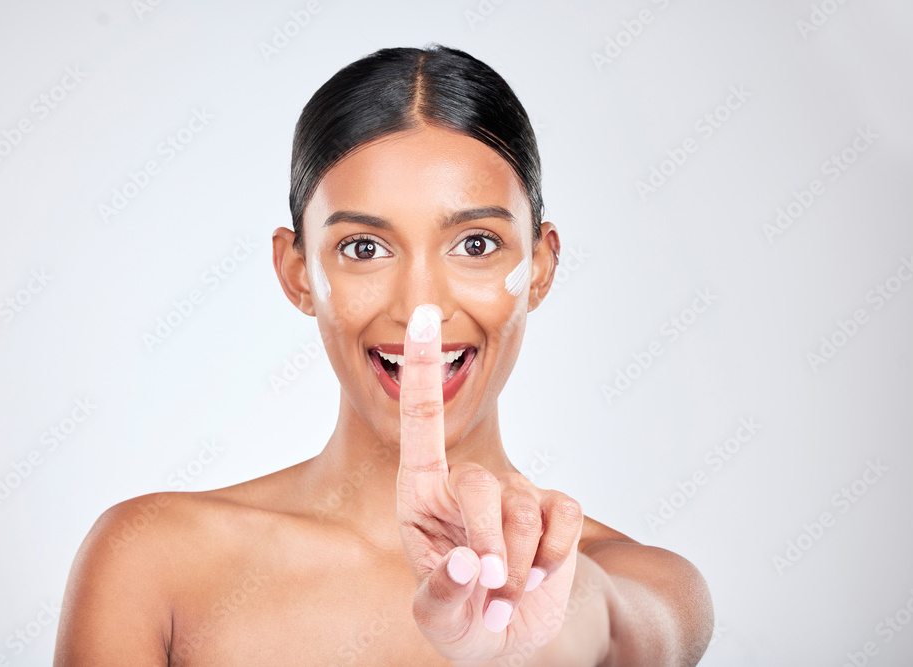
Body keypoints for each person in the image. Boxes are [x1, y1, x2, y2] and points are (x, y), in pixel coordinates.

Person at [54, 43, 714, 666]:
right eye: (364, 248)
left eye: (476, 244)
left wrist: (550, 629)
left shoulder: (636, 577)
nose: (421, 308)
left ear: (540, 266)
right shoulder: (151, 559)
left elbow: (627, 625)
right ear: (297, 272)